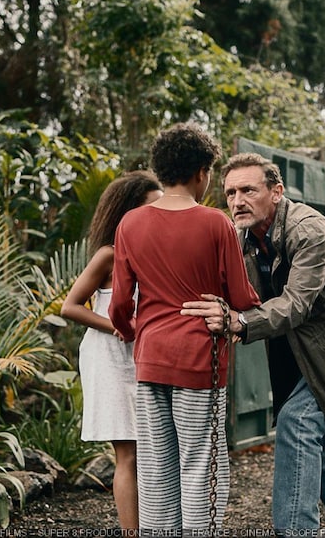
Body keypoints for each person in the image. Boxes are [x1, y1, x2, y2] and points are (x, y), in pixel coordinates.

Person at [180, 152, 325, 532]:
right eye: (230, 193)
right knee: (308, 436)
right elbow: (237, 290)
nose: (237, 201)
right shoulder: (244, 237)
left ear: (276, 192)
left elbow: (296, 303)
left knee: (299, 424)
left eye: (248, 189)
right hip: (310, 347)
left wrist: (239, 321)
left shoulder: (309, 231)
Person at [109, 123, 261, 531]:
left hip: (151, 361)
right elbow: (244, 299)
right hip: (199, 361)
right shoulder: (216, 224)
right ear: (200, 173)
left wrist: (130, 332)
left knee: (157, 467)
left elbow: (121, 304)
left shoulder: (129, 225)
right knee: (201, 463)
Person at [60, 170, 163, 531]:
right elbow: (70, 306)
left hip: (145, 358)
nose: (161, 212)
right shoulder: (108, 254)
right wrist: (119, 326)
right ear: (128, 211)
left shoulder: (157, 252)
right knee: (129, 455)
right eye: (153, 206)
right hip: (109, 359)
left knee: (153, 451)